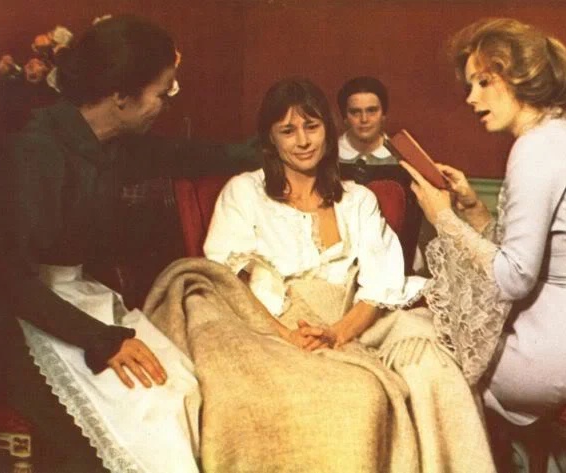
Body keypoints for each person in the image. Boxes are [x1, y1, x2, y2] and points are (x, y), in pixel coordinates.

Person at [0, 15, 258, 472]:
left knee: (180, 384)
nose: (167, 104)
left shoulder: (114, 141)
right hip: (18, 319)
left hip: (75, 299)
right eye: (162, 93)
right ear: (120, 98)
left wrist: (271, 147)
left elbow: (190, 154)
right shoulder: (35, 150)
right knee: (142, 408)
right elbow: (10, 279)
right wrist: (103, 341)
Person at [203, 77, 496, 472]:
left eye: (311, 126)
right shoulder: (244, 191)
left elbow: (380, 284)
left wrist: (338, 333)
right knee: (358, 396)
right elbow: (228, 280)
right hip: (272, 327)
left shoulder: (357, 199)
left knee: (434, 366)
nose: (303, 141)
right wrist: (287, 334)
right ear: (270, 139)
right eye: (288, 131)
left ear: (327, 129)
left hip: (350, 321)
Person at [400, 17, 566, 471]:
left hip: (557, 354)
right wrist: (472, 210)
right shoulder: (556, 138)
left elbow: (514, 277)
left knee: (421, 356)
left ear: (521, 78)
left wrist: (442, 218)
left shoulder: (535, 150)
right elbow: (528, 255)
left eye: (484, 82)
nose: (471, 98)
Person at [337, 76, 397, 165]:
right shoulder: (327, 156)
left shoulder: (402, 156)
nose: (364, 119)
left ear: (383, 115)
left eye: (371, 111)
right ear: (345, 118)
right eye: (355, 112)